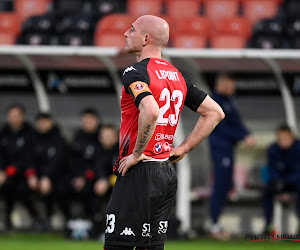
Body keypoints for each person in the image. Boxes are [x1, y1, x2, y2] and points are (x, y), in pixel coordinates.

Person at [104, 15, 224, 250]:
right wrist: (183, 149)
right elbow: (215, 113)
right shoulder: (176, 76)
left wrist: (137, 154)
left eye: (132, 29)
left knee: (118, 246)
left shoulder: (135, 71)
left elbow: (150, 110)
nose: (126, 34)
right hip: (165, 172)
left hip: (140, 171)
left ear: (146, 38)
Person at [208, 73, 256, 240]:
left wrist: (245, 133)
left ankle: (216, 223)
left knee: (226, 185)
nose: (233, 87)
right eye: (230, 84)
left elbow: (237, 122)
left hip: (228, 149)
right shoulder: (215, 102)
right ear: (221, 84)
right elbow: (221, 127)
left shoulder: (229, 101)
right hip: (220, 149)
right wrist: (243, 136)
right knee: (220, 186)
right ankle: (213, 225)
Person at [0, 104, 39, 230]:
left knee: (22, 189)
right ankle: (7, 219)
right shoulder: (3, 133)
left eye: (17, 116)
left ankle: (36, 217)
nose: (14, 118)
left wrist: (10, 171)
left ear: (22, 117)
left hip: (25, 174)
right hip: (6, 175)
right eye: (11, 116)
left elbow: (29, 157)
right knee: (7, 186)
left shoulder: (30, 133)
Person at [32, 113, 69, 230]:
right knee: (18, 187)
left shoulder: (59, 139)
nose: (42, 124)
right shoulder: (33, 138)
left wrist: (46, 176)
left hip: (57, 176)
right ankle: (38, 218)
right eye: (40, 121)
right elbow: (29, 159)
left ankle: (68, 219)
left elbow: (58, 161)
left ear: (51, 122)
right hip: (37, 176)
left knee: (61, 189)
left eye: (44, 121)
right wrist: (31, 175)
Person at [263, 124, 300, 234]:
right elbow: (272, 170)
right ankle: (268, 226)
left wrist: (287, 191)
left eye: (285, 138)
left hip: (295, 182)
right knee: (267, 192)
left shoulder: (298, 148)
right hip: (279, 183)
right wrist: (279, 188)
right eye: (280, 138)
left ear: (291, 137)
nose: (282, 141)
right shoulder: (273, 149)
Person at [70, 108, 101, 219]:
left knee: (92, 190)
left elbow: (101, 160)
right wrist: (78, 176)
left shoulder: (101, 136)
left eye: (89, 120)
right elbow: (73, 159)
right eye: (85, 120)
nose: (86, 123)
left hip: (97, 177)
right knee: (63, 187)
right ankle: (72, 220)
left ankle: (95, 219)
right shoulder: (78, 136)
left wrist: (86, 176)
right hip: (79, 176)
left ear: (96, 120)